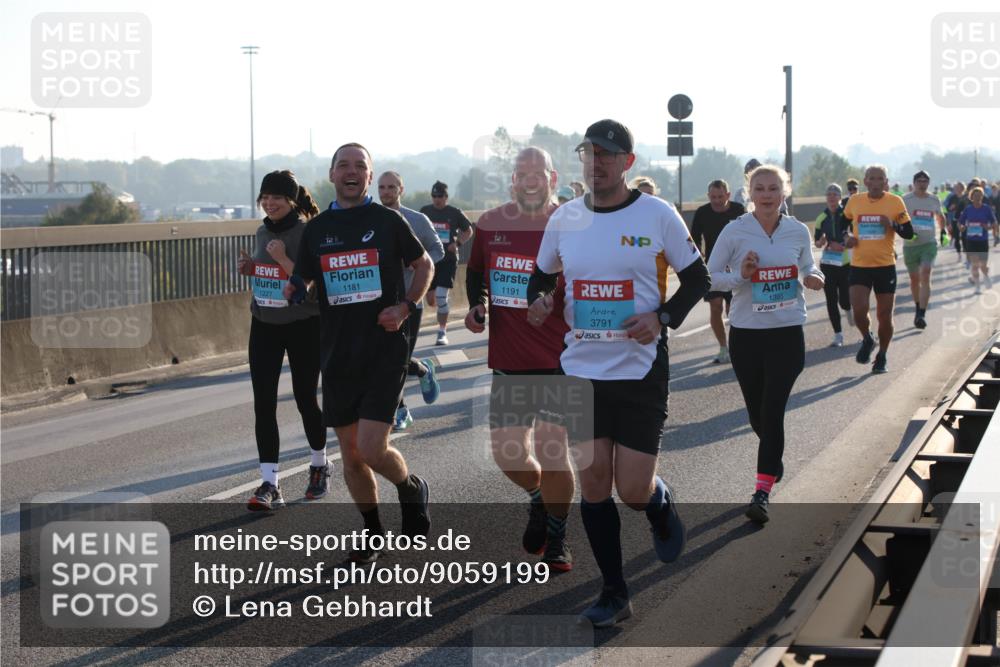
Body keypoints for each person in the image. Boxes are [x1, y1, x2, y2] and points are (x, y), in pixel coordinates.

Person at [526, 119, 710, 627]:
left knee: (630, 489)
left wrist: (662, 317)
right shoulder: (564, 218)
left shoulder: (657, 214)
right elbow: (541, 277)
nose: (597, 162)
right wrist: (539, 300)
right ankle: (614, 592)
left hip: (639, 368)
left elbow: (698, 278)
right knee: (593, 484)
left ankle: (656, 500)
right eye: (589, 153)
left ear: (627, 162)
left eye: (607, 154)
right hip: (581, 371)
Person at [285, 143, 434, 562]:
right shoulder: (317, 230)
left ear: (369, 177)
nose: (352, 172)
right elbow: (304, 280)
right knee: (350, 454)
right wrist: (296, 287)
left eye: (360, 166)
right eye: (344, 165)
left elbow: (424, 266)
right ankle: (372, 532)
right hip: (336, 355)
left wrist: (405, 306)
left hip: (384, 350)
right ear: (332, 174)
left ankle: (410, 488)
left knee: (371, 448)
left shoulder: (388, 221)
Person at [465, 147, 574, 572]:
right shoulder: (491, 223)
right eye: (521, 172)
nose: (530, 178)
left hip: (561, 358)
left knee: (552, 451)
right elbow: (476, 272)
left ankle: (559, 538)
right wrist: (478, 304)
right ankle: (539, 499)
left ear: (553, 176)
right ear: (512, 178)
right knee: (508, 456)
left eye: (538, 171)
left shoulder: (571, 222)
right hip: (509, 358)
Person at [707, 164, 824, 523]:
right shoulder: (735, 231)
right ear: (749, 193)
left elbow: (808, 266)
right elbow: (710, 277)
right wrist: (741, 276)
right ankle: (773, 459)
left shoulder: (796, 231)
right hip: (746, 334)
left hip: (787, 333)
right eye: (760, 188)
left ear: (784, 192)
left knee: (772, 412)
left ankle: (761, 491)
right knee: (757, 414)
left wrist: (815, 277)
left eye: (774, 188)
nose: (767, 194)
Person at [237, 170, 328, 510]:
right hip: (264, 323)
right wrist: (253, 268)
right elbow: (269, 274)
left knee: (305, 398)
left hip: (303, 325)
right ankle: (269, 483)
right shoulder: (262, 231)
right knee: (264, 402)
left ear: (291, 200)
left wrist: (283, 260)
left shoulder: (307, 232)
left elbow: (316, 287)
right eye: (265, 197)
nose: (269, 203)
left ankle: (319, 463)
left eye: (276, 197)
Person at [377, 171, 445, 430]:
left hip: (409, 299)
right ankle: (418, 378)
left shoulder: (417, 220)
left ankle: (402, 407)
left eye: (391, 187)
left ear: (401, 189)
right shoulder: (372, 219)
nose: (386, 192)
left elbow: (438, 250)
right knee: (386, 360)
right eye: (382, 187)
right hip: (381, 301)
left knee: (398, 358)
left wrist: (418, 266)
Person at [843, 165, 915, 374]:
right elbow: (843, 221)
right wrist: (846, 237)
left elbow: (909, 233)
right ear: (865, 181)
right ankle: (867, 338)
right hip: (860, 265)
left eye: (880, 179)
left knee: (884, 315)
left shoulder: (895, 201)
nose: (876, 183)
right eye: (872, 179)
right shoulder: (855, 201)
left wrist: (891, 223)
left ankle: (882, 355)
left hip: (885, 266)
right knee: (858, 311)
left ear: (886, 181)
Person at [691, 179, 745, 362]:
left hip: (735, 267)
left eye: (720, 196)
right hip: (713, 268)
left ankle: (739, 346)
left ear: (728, 195)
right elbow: (694, 240)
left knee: (733, 309)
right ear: (708, 196)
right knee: (715, 307)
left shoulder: (738, 211)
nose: (716, 200)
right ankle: (723, 348)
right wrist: (698, 260)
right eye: (713, 197)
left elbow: (747, 236)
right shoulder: (702, 213)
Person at [421, 181, 473, 346]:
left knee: (440, 297)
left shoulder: (454, 213)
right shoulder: (425, 212)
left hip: (448, 260)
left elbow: (468, 230)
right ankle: (443, 305)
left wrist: (457, 244)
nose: (437, 199)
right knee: (431, 300)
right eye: (434, 196)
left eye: (440, 196)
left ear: (446, 197)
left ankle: (442, 332)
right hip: (430, 260)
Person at [901, 170, 945, 329]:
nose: (922, 183)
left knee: (925, 273)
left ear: (928, 183)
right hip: (910, 246)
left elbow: (940, 216)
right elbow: (897, 218)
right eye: (919, 180)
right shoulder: (905, 199)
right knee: (914, 280)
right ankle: (918, 306)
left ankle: (921, 313)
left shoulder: (934, 199)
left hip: (929, 243)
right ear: (914, 183)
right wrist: (903, 231)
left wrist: (944, 232)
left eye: (925, 181)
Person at [813, 184, 852, 346]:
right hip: (828, 263)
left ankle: (848, 310)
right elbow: (816, 242)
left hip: (845, 263)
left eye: (835, 194)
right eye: (829, 194)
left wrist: (844, 243)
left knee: (844, 299)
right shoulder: (821, 217)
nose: (831, 197)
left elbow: (854, 235)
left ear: (840, 197)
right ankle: (838, 335)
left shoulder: (847, 214)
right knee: (831, 299)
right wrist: (821, 241)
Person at [959, 186, 997, 293]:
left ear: (982, 196)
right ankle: (977, 285)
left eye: (980, 196)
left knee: (983, 265)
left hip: (983, 240)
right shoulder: (968, 209)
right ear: (972, 197)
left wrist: (988, 227)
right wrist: (961, 227)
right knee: (975, 264)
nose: (978, 198)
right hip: (971, 240)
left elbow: (993, 222)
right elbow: (961, 222)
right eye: (975, 196)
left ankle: (985, 275)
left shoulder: (986, 208)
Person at [944, 181, 968, 261]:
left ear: (962, 188)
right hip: (955, 219)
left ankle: (966, 251)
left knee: (965, 237)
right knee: (956, 237)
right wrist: (950, 208)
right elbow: (947, 209)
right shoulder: (952, 197)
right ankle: (959, 254)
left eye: (958, 187)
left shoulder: (966, 197)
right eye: (955, 188)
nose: (956, 189)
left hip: (965, 220)